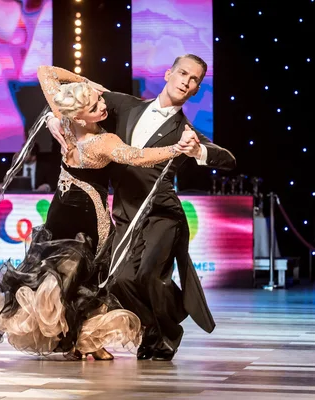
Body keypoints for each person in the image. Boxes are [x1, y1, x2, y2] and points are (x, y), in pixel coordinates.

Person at [0, 66, 190, 360]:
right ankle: (81, 341)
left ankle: (84, 342)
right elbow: (138, 157)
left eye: (99, 102)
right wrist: (177, 148)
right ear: (78, 116)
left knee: (77, 279)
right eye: (94, 106)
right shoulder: (103, 142)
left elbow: (46, 73)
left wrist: (86, 85)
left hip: (68, 213)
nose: (103, 106)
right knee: (74, 280)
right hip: (81, 218)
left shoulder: (65, 119)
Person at [46, 55, 237, 361]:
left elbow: (227, 158)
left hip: (163, 214)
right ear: (167, 73)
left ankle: (166, 336)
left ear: (196, 89)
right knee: (120, 280)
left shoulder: (185, 130)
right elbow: (70, 96)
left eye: (194, 80)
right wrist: (55, 117)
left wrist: (198, 149)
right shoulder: (125, 105)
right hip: (125, 214)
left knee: (148, 273)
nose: (186, 82)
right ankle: (159, 323)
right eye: (183, 74)